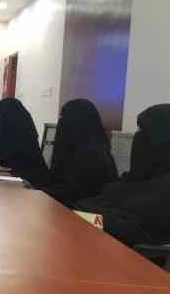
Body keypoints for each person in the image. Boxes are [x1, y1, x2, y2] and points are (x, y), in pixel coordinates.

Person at [76, 104, 170, 248]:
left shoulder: (163, 189)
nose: (137, 136)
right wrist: (78, 212)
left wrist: (82, 216)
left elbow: (127, 228)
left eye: (143, 131)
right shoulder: (136, 178)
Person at [42, 99, 118, 207]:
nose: (60, 122)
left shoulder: (93, 157)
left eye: (63, 117)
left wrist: (39, 191)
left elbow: (75, 192)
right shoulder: (89, 148)